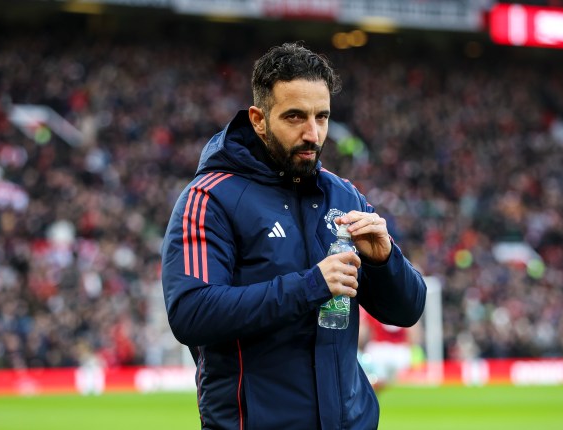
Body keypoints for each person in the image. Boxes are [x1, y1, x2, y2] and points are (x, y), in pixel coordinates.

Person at [161, 42, 427, 430]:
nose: (312, 133)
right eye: (295, 117)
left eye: (322, 117)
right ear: (258, 119)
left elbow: (407, 310)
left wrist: (385, 262)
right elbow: (191, 313)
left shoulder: (343, 195)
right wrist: (311, 285)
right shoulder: (210, 198)